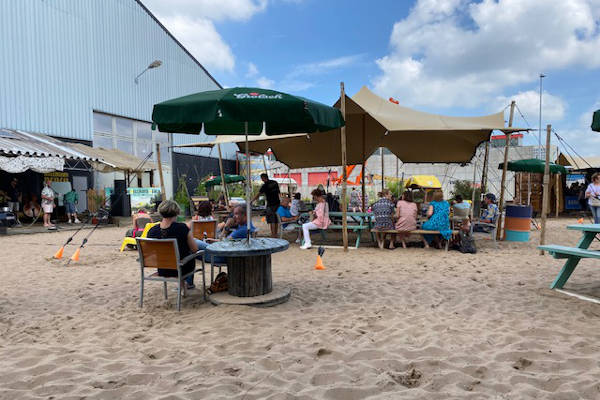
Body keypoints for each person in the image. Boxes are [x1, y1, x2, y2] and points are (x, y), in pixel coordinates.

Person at [147, 200, 199, 290]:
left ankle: (183, 286)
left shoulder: (152, 231)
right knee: (188, 255)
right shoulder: (182, 228)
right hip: (182, 269)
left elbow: (151, 253)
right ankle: (188, 284)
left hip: (162, 269)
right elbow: (195, 249)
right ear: (176, 212)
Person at [252, 173, 280, 238]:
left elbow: (258, 194)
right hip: (277, 203)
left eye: (261, 178)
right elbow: (279, 193)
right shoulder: (275, 182)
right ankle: (275, 233)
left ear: (263, 178)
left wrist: (251, 201)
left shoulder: (265, 185)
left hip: (270, 204)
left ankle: (273, 235)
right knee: (276, 219)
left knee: (272, 220)